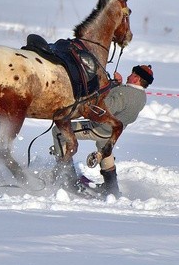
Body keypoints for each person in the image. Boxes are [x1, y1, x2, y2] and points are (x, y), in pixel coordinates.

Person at [51, 64, 154, 197]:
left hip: (99, 128)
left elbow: (108, 107)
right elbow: (123, 103)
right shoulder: (141, 96)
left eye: (132, 74)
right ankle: (112, 188)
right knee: (105, 151)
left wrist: (99, 89)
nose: (129, 75)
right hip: (112, 133)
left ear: (136, 78)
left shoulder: (125, 93)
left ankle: (66, 175)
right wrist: (118, 85)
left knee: (58, 132)